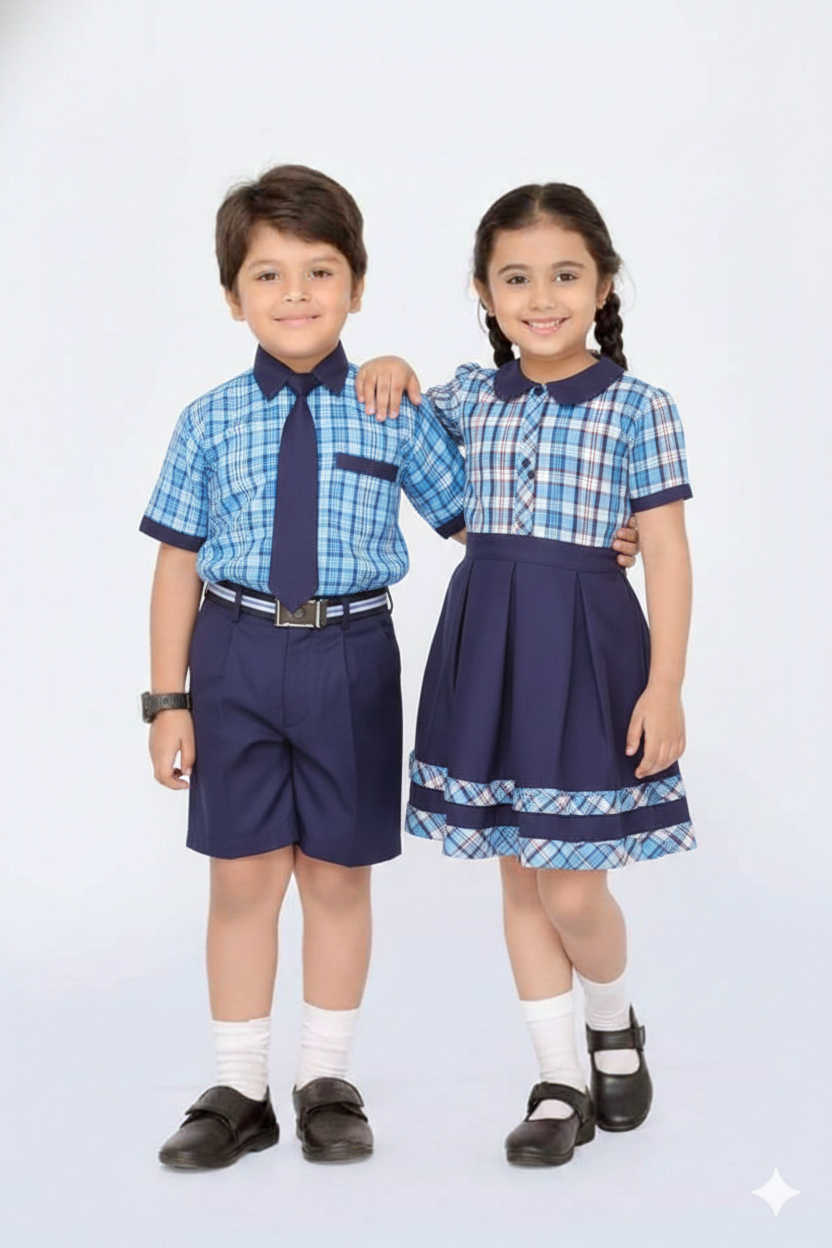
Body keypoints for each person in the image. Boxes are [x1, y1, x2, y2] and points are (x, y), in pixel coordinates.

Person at [139, 164, 475, 1169]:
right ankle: (239, 1088)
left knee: (335, 875)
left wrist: (595, 545)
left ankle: (325, 1078)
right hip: (234, 654)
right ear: (232, 296)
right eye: (268, 275)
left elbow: (477, 517)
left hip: (350, 654)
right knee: (243, 878)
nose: (296, 294)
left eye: (320, 271)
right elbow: (176, 564)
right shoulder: (207, 419)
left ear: (356, 287)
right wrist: (167, 701)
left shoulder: (391, 407)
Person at [357, 182, 694, 1167]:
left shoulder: (640, 406)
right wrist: (391, 364)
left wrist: (665, 685)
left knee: (572, 888)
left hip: (588, 650)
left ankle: (612, 1023)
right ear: (484, 291)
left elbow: (668, 553)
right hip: (488, 644)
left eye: (564, 275)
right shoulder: (472, 396)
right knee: (520, 875)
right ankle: (557, 1080)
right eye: (515, 278)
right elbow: (402, 416)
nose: (540, 298)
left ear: (602, 284)